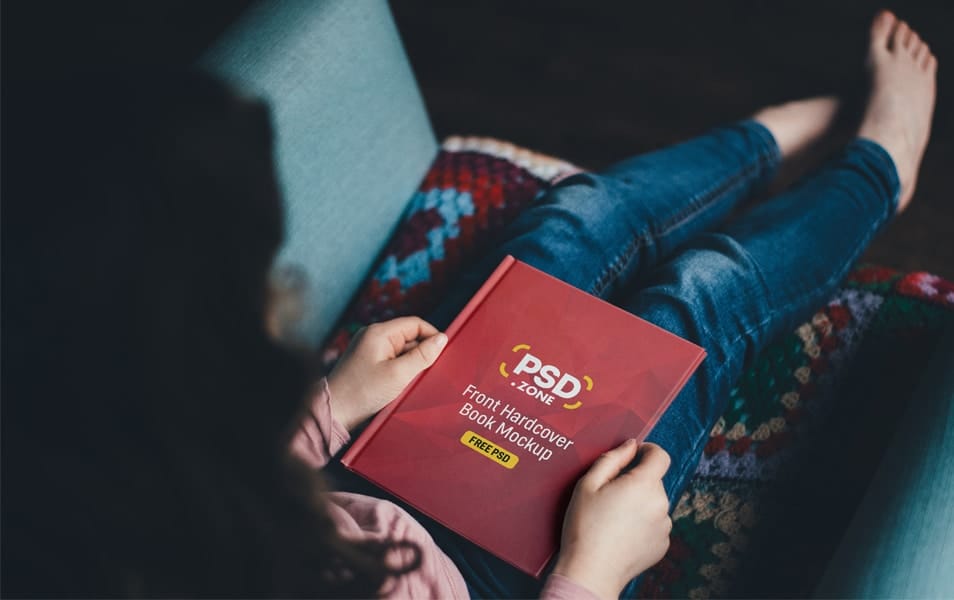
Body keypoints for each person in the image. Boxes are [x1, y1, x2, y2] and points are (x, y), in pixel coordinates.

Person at [1, 9, 935, 599]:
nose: (286, 310)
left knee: (571, 219)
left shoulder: (97, 483)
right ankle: (876, 173)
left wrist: (331, 406)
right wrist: (593, 573)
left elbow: (201, 468)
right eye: (264, 300)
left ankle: (765, 146)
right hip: (506, 573)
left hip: (362, 481)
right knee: (698, 297)